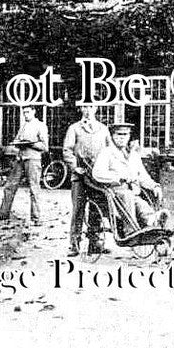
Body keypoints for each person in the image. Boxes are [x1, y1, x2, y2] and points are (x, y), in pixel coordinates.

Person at [91, 123, 169, 231]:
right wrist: (118, 178)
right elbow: (98, 173)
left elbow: (142, 176)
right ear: (112, 136)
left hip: (132, 193)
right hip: (114, 192)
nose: (122, 137)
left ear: (129, 136)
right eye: (118, 134)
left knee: (140, 203)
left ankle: (152, 220)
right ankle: (130, 230)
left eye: (125, 134)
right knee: (127, 196)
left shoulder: (134, 155)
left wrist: (154, 186)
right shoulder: (106, 153)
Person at [61, 103, 112, 256]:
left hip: (98, 176)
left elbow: (110, 151)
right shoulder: (74, 128)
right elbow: (67, 150)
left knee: (96, 209)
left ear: (96, 108)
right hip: (80, 176)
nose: (88, 110)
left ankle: (95, 243)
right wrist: (75, 167)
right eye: (85, 106)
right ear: (81, 109)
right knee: (78, 209)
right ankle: (74, 244)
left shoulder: (103, 129)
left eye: (91, 106)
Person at [0, 106, 49, 225]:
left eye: (28, 112)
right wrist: (17, 145)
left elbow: (45, 147)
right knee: (10, 186)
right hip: (20, 159)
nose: (25, 115)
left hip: (33, 159)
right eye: (24, 112)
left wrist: (30, 144)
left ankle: (36, 218)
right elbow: (17, 142)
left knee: (34, 188)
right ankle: (3, 214)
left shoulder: (40, 125)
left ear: (34, 112)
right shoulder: (23, 126)